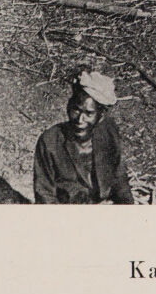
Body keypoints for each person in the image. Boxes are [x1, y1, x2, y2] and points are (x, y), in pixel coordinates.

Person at [33, 70, 134, 204]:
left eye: (89, 113)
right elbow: (44, 194)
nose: (80, 119)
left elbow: (119, 179)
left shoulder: (108, 133)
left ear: (100, 116)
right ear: (68, 106)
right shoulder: (50, 141)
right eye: (76, 110)